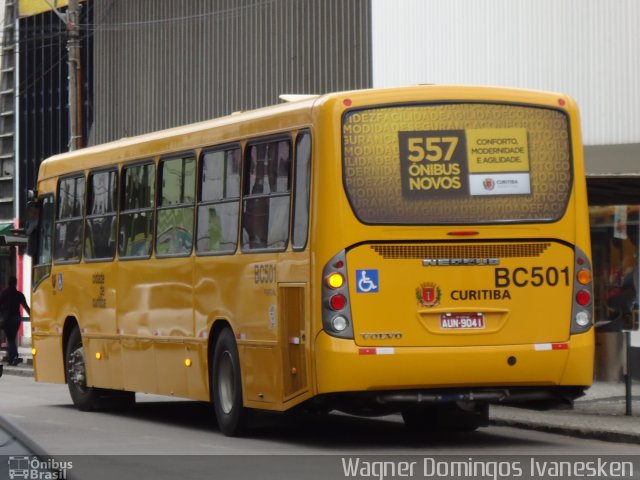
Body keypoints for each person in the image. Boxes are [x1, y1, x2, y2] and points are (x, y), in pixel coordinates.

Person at [0, 276, 30, 366]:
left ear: (9, 283)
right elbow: (26, 307)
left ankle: (14, 357)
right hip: (17, 319)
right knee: (12, 338)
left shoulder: (4, 293)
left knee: (11, 339)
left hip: (7, 319)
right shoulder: (19, 294)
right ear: (15, 283)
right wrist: (33, 316)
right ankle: (11, 358)